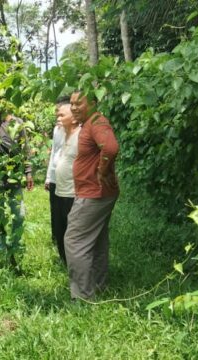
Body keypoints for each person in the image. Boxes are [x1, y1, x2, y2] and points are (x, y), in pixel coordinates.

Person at [64, 91, 119, 300]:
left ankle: (83, 296)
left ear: (93, 103)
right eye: (71, 103)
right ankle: (98, 286)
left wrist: (102, 170)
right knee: (96, 240)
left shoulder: (96, 120)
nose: (74, 107)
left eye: (79, 103)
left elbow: (111, 148)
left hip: (93, 193)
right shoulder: (89, 122)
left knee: (75, 241)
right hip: (96, 192)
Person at [0, 97, 33, 268]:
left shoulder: (18, 123)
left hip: (14, 177)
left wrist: (28, 172)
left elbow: (25, 148)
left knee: (19, 214)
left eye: (1, 102)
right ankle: (1, 248)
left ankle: (15, 244)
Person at [52, 103, 80, 265]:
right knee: (60, 229)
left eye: (62, 115)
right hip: (60, 190)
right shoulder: (62, 133)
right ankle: (66, 262)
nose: (58, 118)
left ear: (74, 119)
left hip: (74, 193)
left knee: (72, 233)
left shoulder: (81, 136)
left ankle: (76, 264)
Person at [45, 96, 70, 253]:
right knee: (55, 211)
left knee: (66, 212)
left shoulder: (75, 131)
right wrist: (49, 176)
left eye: (61, 114)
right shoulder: (56, 130)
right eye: (57, 114)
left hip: (67, 179)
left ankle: (67, 244)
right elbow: (54, 151)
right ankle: (57, 240)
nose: (58, 117)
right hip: (55, 176)